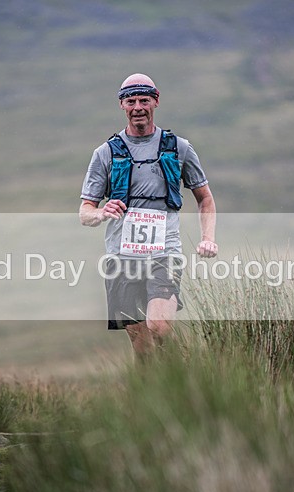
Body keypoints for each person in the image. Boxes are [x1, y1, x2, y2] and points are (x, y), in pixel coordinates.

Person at [79, 73, 217, 361]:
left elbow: (204, 198)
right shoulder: (105, 154)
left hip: (164, 253)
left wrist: (208, 239)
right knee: (142, 347)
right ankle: (155, 394)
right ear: (122, 105)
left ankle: (182, 373)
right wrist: (103, 212)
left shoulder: (179, 148)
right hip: (121, 256)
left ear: (156, 101)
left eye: (144, 100)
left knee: (160, 327)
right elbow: (85, 212)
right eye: (131, 101)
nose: (138, 106)